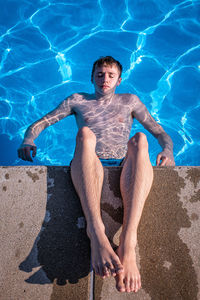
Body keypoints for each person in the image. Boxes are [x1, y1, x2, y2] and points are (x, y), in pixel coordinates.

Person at [18, 56, 175, 293]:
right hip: (88, 161)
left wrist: (168, 150)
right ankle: (96, 232)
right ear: (92, 77)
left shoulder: (130, 101)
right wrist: (29, 138)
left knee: (141, 139)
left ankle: (128, 242)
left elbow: (158, 131)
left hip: (123, 162)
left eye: (111, 75)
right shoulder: (78, 100)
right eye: (100, 74)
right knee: (85, 134)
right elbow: (41, 122)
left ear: (119, 80)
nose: (105, 79)